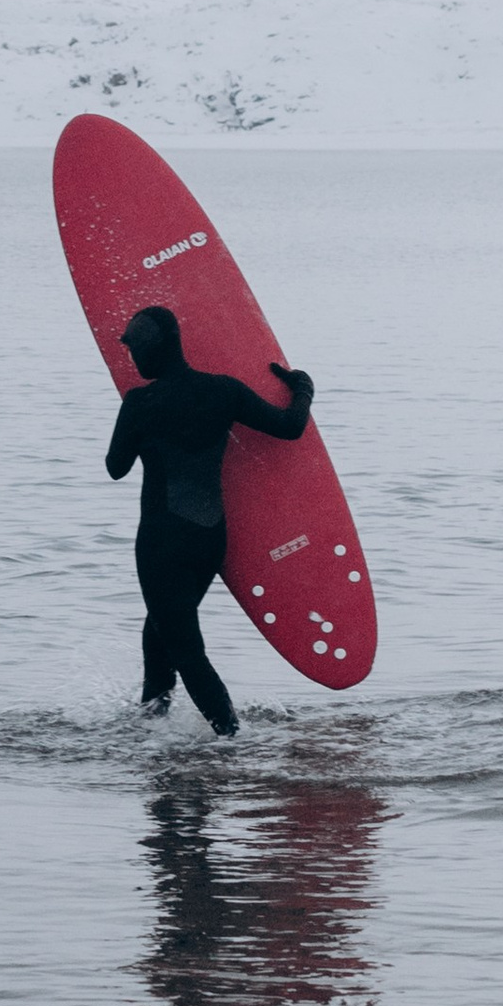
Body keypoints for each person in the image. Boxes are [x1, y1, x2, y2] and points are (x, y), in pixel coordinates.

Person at [106, 304, 313, 735]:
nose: (131, 360)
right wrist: (303, 388)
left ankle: (231, 741)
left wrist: (135, 419)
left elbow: (115, 466)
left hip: (162, 542)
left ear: (152, 352)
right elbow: (290, 427)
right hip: (208, 536)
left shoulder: (141, 402)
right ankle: (151, 732)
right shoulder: (224, 391)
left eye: (134, 351)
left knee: (184, 647)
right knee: (159, 633)